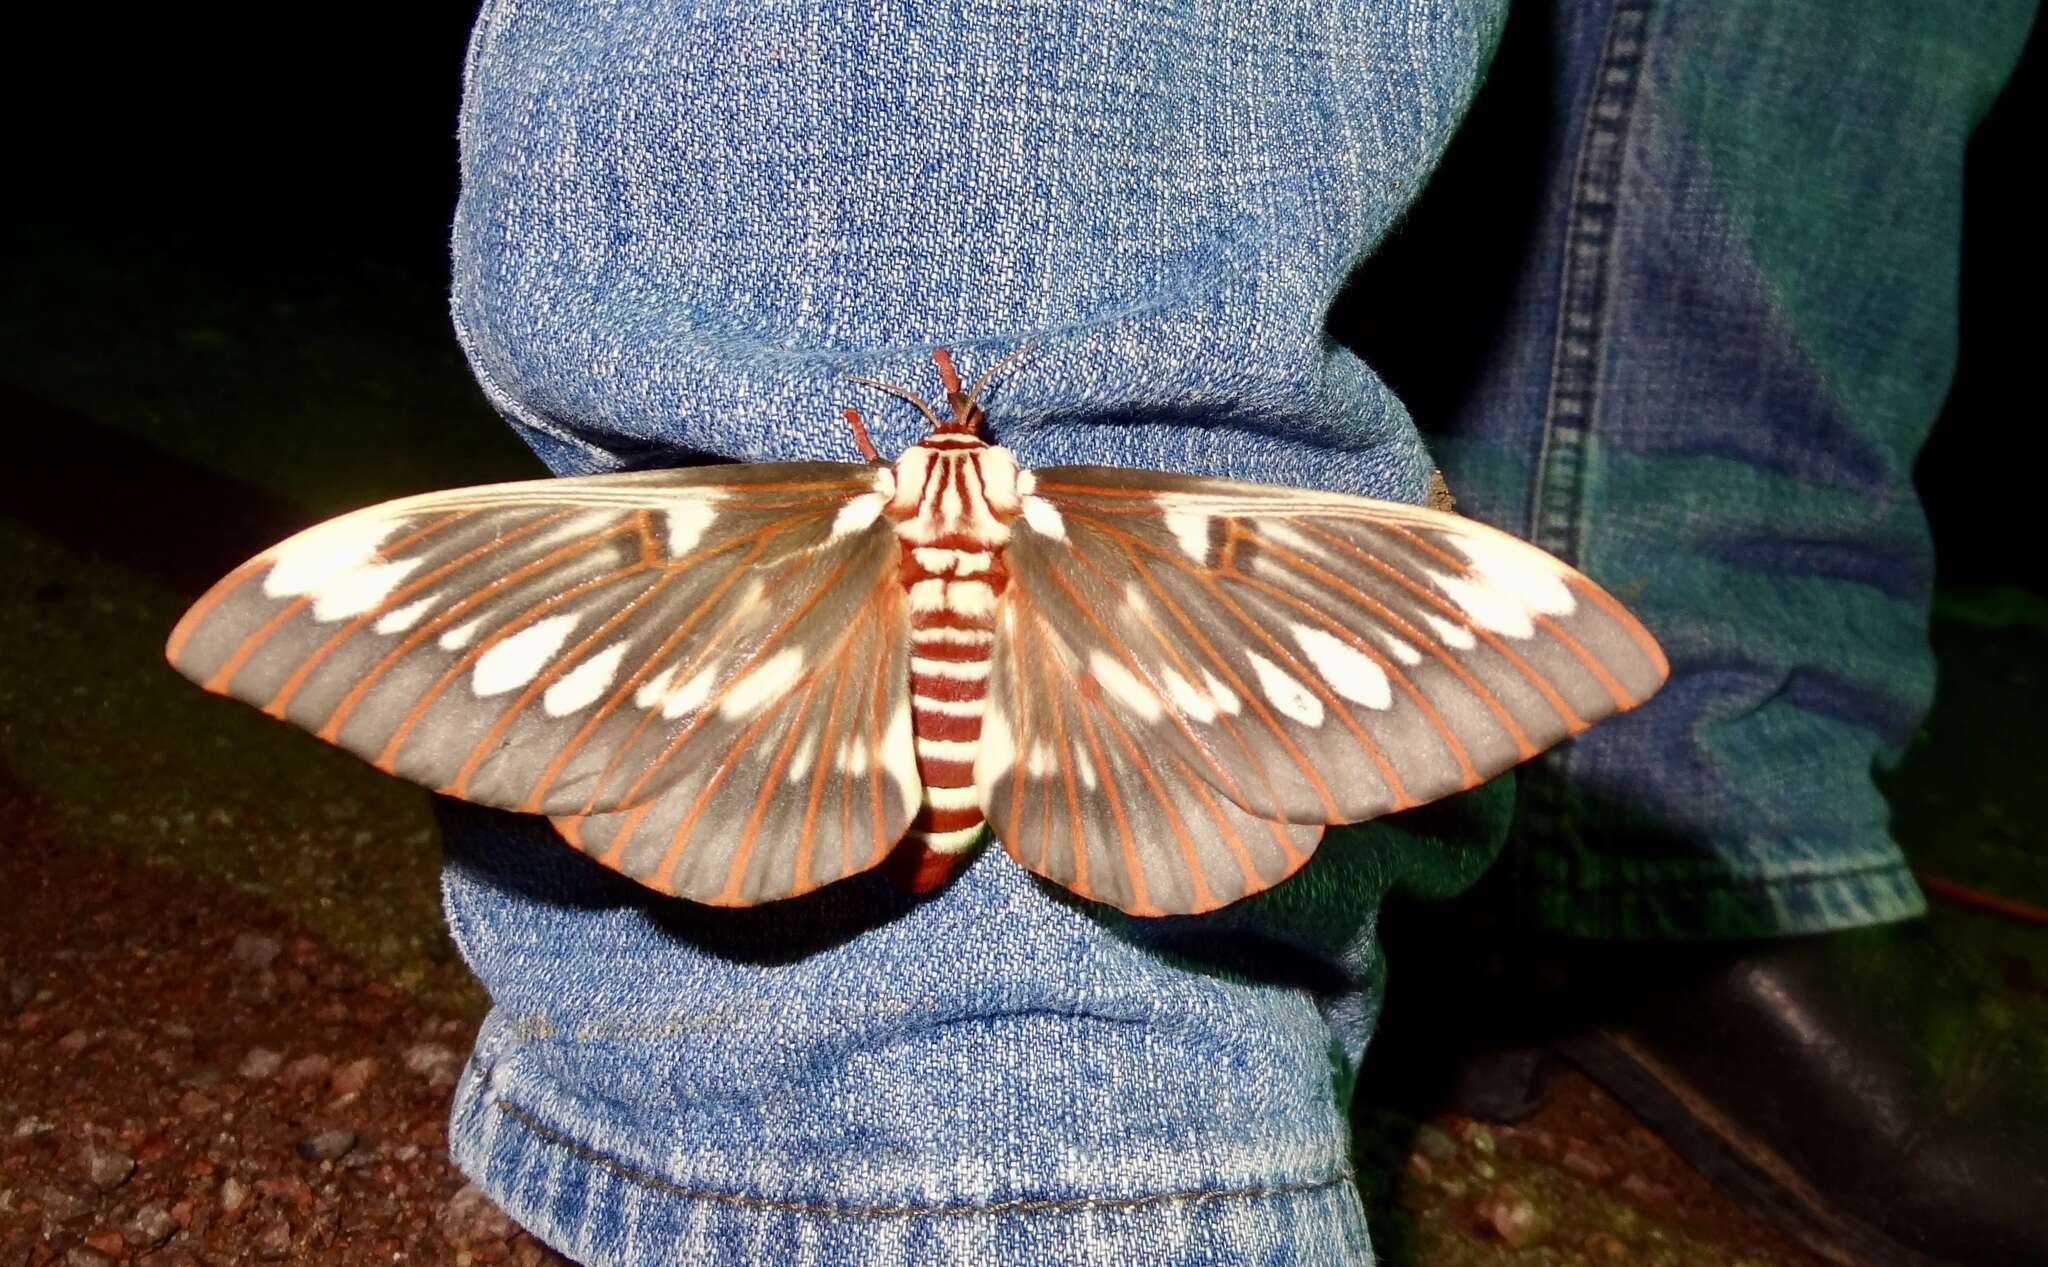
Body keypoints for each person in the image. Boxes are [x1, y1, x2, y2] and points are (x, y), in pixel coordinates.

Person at [438, 1, 2043, 1263]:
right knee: (1008, 332)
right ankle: (978, 1127)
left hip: (882, 686)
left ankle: (1680, 789)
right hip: (1003, 753)